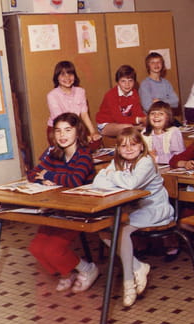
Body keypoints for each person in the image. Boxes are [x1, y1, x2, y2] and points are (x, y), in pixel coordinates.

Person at [93, 127, 174, 307]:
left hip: (154, 208)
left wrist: (111, 175)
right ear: (118, 148)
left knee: (121, 230)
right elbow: (97, 182)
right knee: (104, 230)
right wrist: (115, 176)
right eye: (123, 146)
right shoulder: (118, 162)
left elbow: (131, 184)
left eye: (133, 145)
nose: (129, 149)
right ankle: (138, 266)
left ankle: (128, 282)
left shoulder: (146, 161)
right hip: (134, 209)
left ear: (141, 146)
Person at [27, 113, 99, 293]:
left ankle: (87, 269)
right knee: (36, 248)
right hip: (58, 209)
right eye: (58, 131)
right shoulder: (55, 154)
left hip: (79, 211)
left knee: (52, 249)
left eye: (67, 130)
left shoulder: (83, 155)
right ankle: (67, 274)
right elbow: (32, 173)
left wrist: (49, 175)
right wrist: (43, 179)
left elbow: (75, 180)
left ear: (78, 132)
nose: (62, 135)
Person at [46, 61, 101, 144]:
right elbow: (61, 121)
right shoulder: (52, 95)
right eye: (63, 74)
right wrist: (80, 137)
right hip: (59, 130)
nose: (67, 77)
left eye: (70, 74)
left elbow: (84, 115)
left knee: (95, 143)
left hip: (76, 127)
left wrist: (93, 132)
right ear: (57, 77)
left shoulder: (81, 91)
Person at [95, 65, 146, 137]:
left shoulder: (134, 93)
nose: (127, 84)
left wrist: (145, 120)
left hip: (123, 122)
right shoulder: (111, 95)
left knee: (146, 125)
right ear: (118, 82)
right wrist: (139, 120)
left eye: (130, 81)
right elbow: (118, 118)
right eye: (123, 81)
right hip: (106, 124)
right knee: (128, 128)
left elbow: (138, 112)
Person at [143, 101, 185, 165]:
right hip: (152, 166)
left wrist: (156, 158)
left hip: (172, 166)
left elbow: (178, 156)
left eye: (161, 114)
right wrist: (147, 155)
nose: (156, 116)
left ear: (168, 117)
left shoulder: (174, 132)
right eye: (152, 113)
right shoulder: (145, 133)